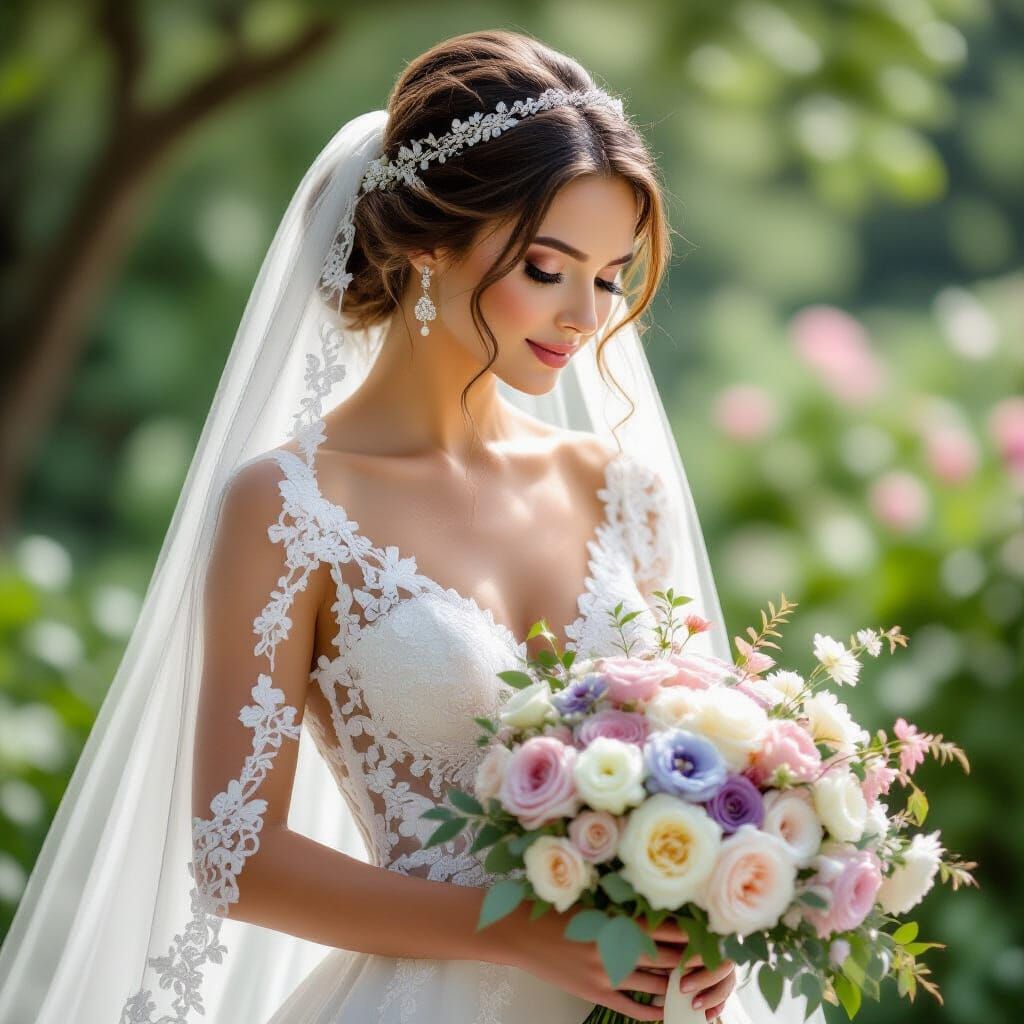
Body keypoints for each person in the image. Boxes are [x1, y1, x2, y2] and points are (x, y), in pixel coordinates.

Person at [0, 29, 823, 1024]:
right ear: (429, 242)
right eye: (545, 266)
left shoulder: (620, 486)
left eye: (607, 277)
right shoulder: (290, 507)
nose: (581, 316)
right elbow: (235, 857)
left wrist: (715, 917)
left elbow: (704, 762)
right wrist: (516, 930)